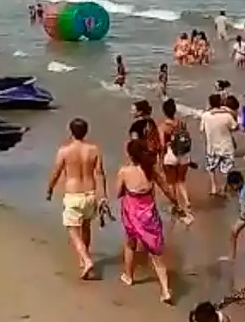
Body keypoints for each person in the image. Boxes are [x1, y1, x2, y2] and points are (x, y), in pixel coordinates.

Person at [118, 139, 184, 304]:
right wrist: (176, 204)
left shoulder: (124, 171)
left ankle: (128, 275)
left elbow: (119, 192)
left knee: (130, 243)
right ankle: (165, 289)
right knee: (156, 254)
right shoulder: (150, 170)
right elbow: (167, 190)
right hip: (149, 213)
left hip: (131, 212)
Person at [46, 118, 108, 279]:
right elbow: (100, 173)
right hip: (90, 193)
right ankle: (83, 259)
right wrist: (104, 196)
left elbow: (56, 172)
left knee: (72, 229)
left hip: (73, 194)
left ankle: (86, 260)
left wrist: (50, 189)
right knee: (86, 226)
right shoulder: (94, 149)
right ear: (86, 131)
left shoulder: (64, 151)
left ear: (71, 131)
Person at [199, 94, 238, 196]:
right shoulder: (227, 116)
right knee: (226, 169)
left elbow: (201, 129)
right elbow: (235, 127)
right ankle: (223, 187)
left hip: (212, 147)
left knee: (211, 168)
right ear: (220, 102)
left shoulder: (206, 115)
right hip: (226, 147)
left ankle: (213, 187)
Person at [159, 98, 192, 211]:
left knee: (171, 182)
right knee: (181, 181)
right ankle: (187, 202)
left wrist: (161, 159)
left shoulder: (163, 126)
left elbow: (162, 145)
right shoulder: (182, 123)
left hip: (170, 155)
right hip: (183, 155)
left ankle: (175, 205)